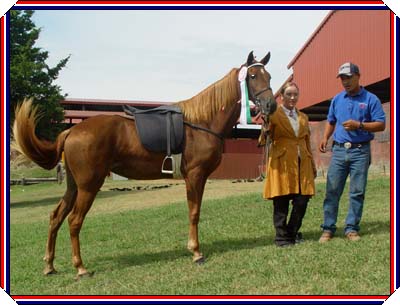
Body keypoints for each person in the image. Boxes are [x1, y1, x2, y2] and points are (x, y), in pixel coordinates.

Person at [318, 62, 386, 243]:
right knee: (332, 190)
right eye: (342, 78)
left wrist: (360, 125)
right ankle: (328, 228)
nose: (345, 82)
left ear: (358, 76)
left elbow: (381, 124)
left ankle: (351, 228)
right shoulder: (337, 99)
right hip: (339, 150)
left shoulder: (370, 99)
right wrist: (325, 137)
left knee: (357, 191)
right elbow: (331, 121)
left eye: (349, 77)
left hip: (360, 151)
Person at [262, 82, 316, 247]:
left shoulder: (303, 117)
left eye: (295, 95)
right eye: (289, 94)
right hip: (282, 162)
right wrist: (265, 129)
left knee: (302, 199)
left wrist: (312, 164)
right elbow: (263, 139)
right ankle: (281, 238)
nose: (292, 98)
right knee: (281, 199)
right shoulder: (273, 115)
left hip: (302, 162)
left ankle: (291, 233)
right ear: (281, 96)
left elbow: (307, 141)